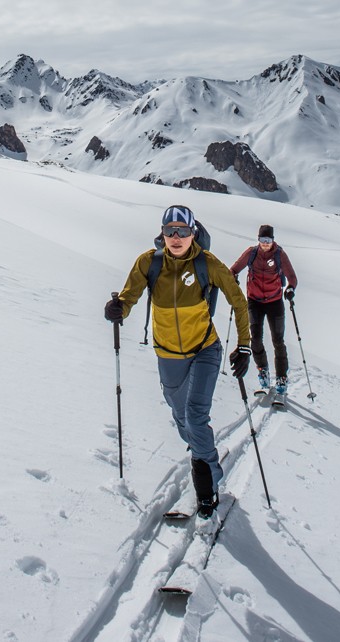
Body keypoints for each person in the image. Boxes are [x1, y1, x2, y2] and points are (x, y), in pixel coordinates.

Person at [104, 205, 251, 518]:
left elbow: (238, 302)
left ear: (193, 233)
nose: (175, 237)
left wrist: (245, 346)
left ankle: (207, 489)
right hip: (167, 353)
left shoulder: (206, 263)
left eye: (182, 231)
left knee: (196, 415)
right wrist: (118, 309)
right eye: (169, 230)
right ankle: (205, 452)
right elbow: (129, 297)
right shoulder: (149, 262)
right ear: (162, 234)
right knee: (180, 415)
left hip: (205, 349)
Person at [230, 225, 298, 395]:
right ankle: (263, 370)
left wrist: (290, 289)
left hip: (274, 302)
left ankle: (282, 377)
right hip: (254, 301)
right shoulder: (251, 253)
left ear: (273, 240)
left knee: (278, 340)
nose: (265, 244)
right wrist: (232, 278)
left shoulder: (279, 255)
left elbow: (292, 278)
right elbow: (234, 269)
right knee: (256, 339)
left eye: (268, 240)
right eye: (262, 240)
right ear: (258, 239)